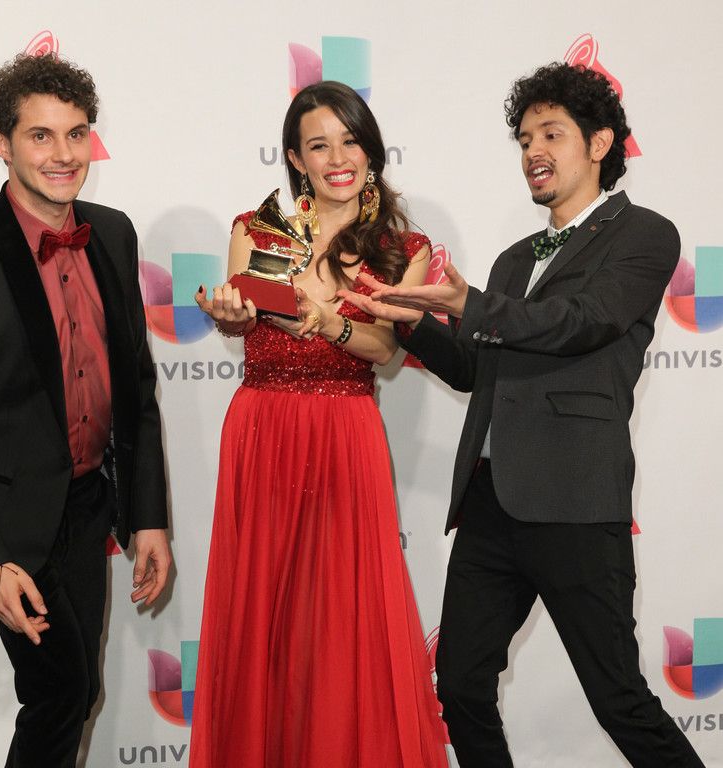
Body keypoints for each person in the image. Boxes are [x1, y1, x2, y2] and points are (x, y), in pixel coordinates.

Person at [342, 62, 705, 767]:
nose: (533, 150)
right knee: (459, 685)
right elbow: (476, 369)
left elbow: (583, 321)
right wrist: (409, 321)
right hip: (490, 501)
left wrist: (469, 304)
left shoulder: (645, 235)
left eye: (551, 134)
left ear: (599, 143)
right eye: (524, 139)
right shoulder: (513, 260)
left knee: (619, 700)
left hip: (573, 502)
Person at [0, 53, 171, 767]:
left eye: (77, 133)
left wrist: (148, 516)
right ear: (0, 143)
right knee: (60, 692)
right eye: (41, 135)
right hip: (11, 525)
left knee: (73, 690)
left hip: (89, 506)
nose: (64, 154)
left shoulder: (114, 234)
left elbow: (136, 391)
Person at [190, 81, 447, 768]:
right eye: (319, 145)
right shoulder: (254, 230)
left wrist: (327, 320)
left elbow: (385, 349)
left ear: (371, 150)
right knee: (260, 610)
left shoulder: (403, 249)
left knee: (341, 613)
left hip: (345, 432)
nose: (338, 159)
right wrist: (231, 316)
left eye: (350, 141)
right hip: (261, 428)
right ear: (295, 158)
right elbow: (245, 312)